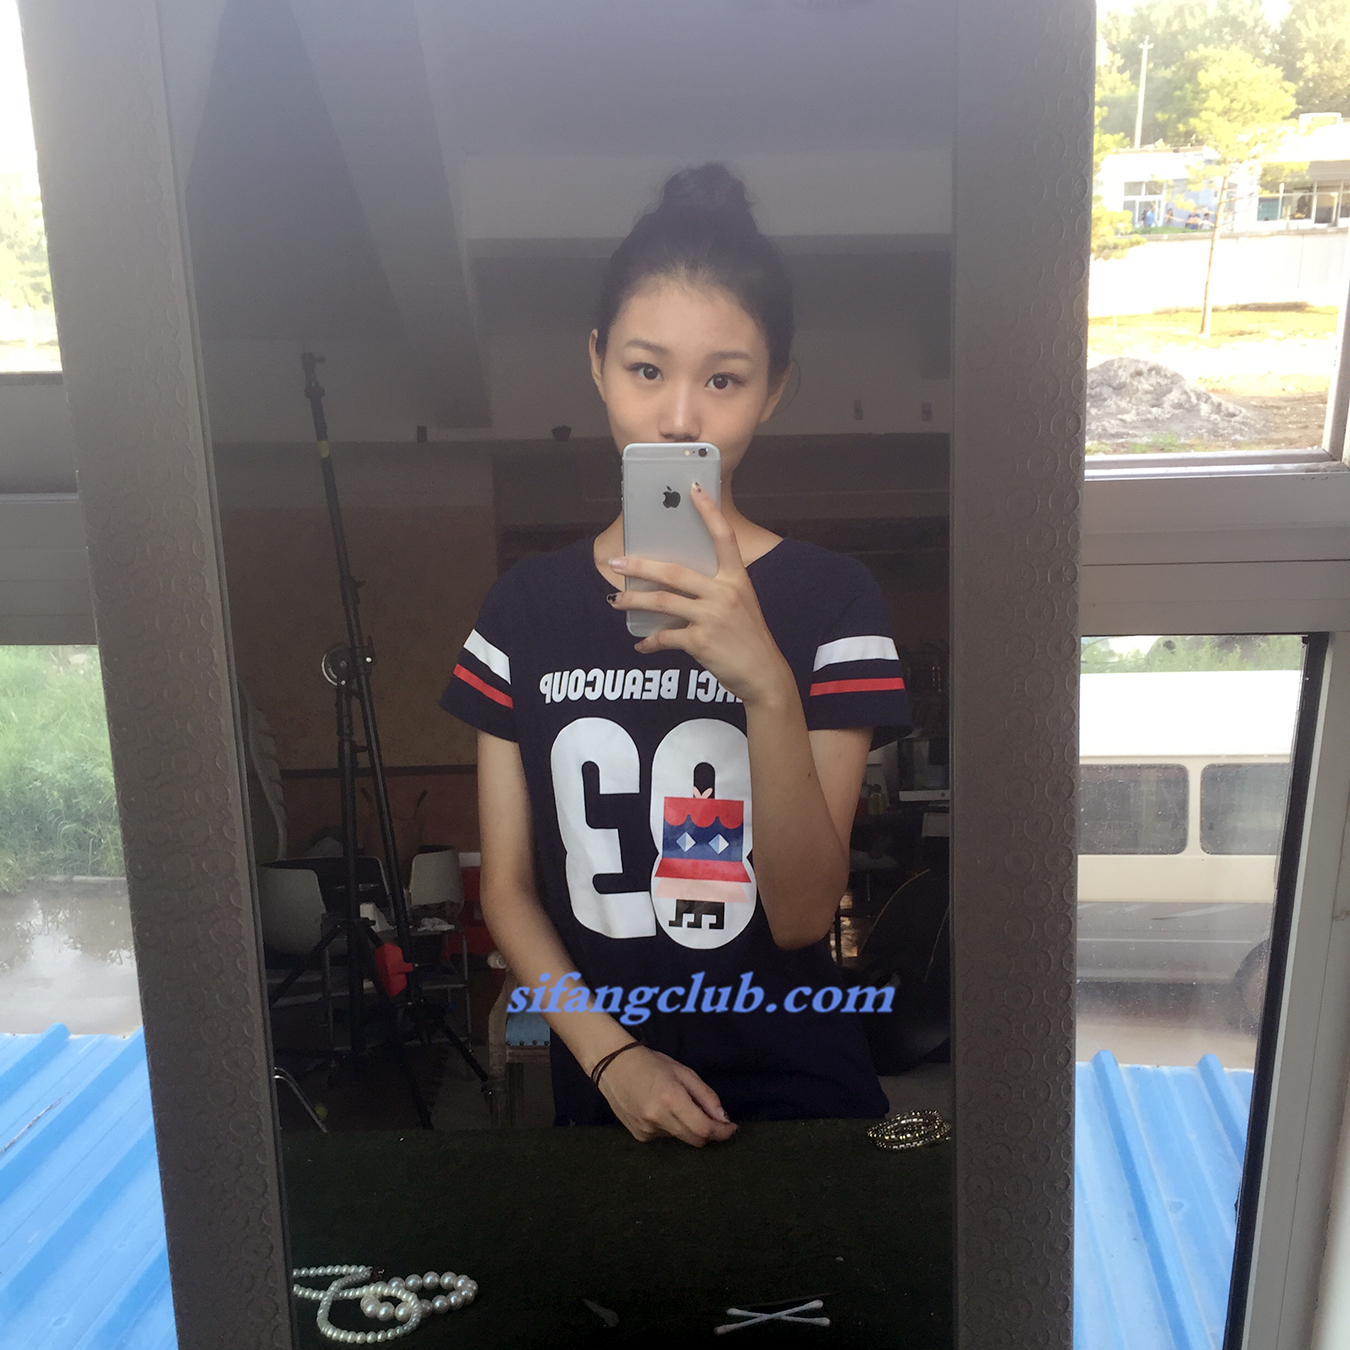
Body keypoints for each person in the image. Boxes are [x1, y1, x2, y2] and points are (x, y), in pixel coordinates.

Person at [441, 163, 912, 1146]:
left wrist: (767, 684)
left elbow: (800, 915)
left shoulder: (834, 602)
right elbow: (509, 891)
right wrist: (612, 1058)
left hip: (802, 1105)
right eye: (646, 370)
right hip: (609, 1106)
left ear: (774, 390)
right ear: (597, 363)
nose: (682, 418)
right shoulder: (523, 611)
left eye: (724, 379)